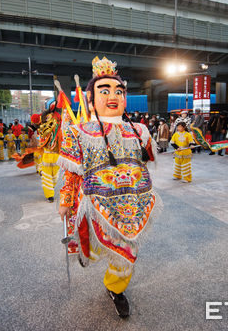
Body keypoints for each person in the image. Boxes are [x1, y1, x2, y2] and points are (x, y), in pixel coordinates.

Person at [57, 56, 159, 318]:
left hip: (134, 202)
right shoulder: (78, 131)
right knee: (95, 243)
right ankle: (86, 248)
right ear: (91, 99)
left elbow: (145, 160)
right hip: (97, 203)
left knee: (128, 252)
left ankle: (115, 288)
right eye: (105, 91)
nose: (113, 96)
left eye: (119, 91)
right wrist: (66, 199)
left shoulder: (140, 130)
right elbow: (71, 172)